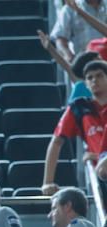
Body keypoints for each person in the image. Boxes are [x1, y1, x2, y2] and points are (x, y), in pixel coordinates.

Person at [45, 58, 107, 194]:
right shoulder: (79, 107)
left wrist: (97, 156)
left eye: (99, 75)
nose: (94, 80)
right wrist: (47, 182)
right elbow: (56, 141)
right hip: (102, 176)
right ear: (85, 83)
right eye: (89, 78)